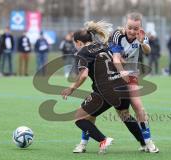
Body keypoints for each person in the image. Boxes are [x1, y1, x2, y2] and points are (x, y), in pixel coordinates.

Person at [74, 12, 159, 153]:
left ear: (140, 28)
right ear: (125, 25)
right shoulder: (117, 35)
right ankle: (83, 143)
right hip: (118, 74)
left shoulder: (141, 34)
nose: (132, 31)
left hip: (126, 75)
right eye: (130, 27)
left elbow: (148, 51)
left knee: (137, 107)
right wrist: (122, 72)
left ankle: (148, 142)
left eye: (136, 29)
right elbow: (116, 58)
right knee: (119, 113)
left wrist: (143, 41)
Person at [62, 21, 146, 154]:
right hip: (122, 86)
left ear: (78, 42)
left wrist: (71, 88)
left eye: (74, 43)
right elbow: (121, 61)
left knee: (79, 118)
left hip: (106, 90)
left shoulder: (82, 53)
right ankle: (144, 143)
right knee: (124, 114)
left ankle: (103, 140)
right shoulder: (103, 45)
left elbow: (83, 75)